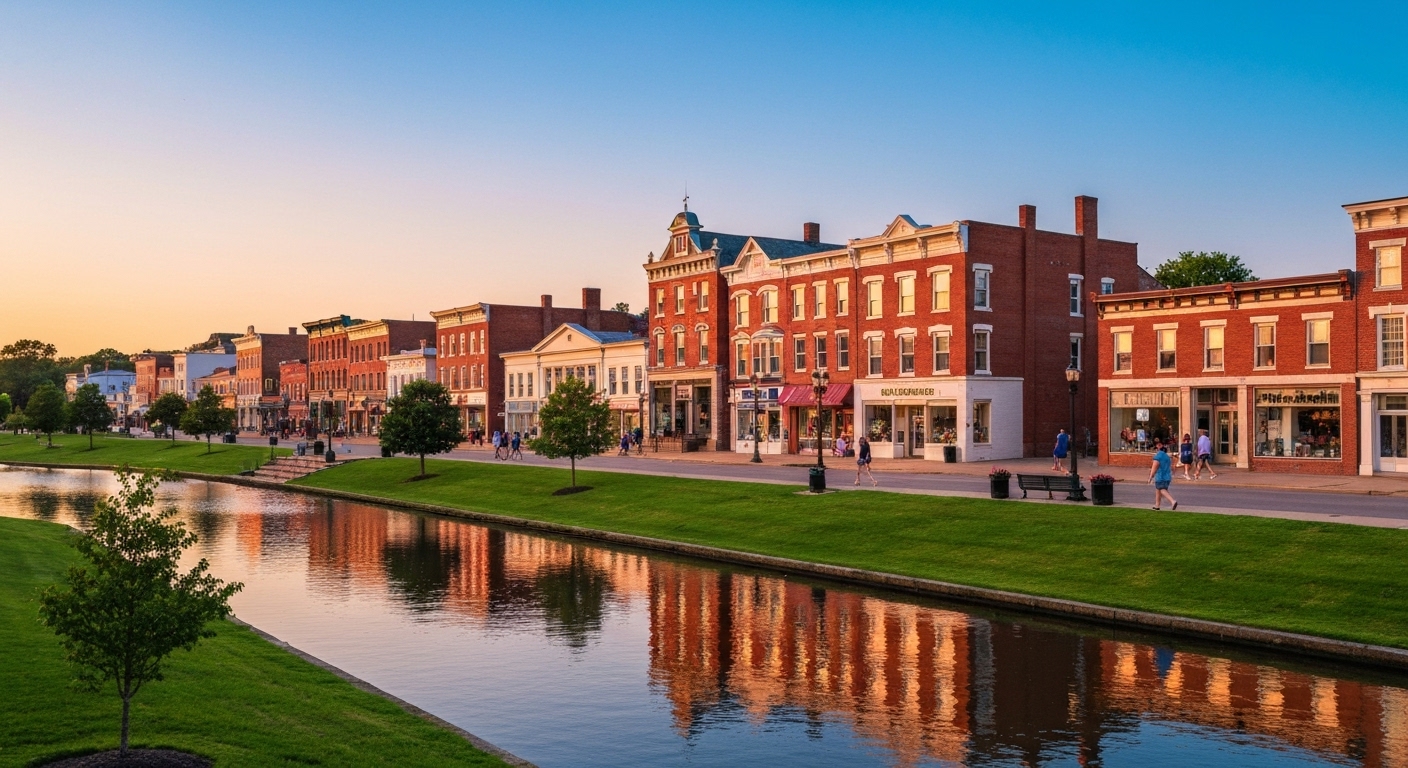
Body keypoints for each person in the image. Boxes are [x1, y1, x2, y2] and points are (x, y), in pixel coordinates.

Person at [1148, 441, 1178, 510]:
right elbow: (1172, 467)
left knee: (1162, 490)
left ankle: (1172, 501)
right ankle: (1157, 505)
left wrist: (1150, 477)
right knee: (1158, 490)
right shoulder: (1167, 457)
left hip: (1160, 476)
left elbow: (1154, 467)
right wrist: (1173, 473)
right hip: (1167, 477)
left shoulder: (1158, 456)